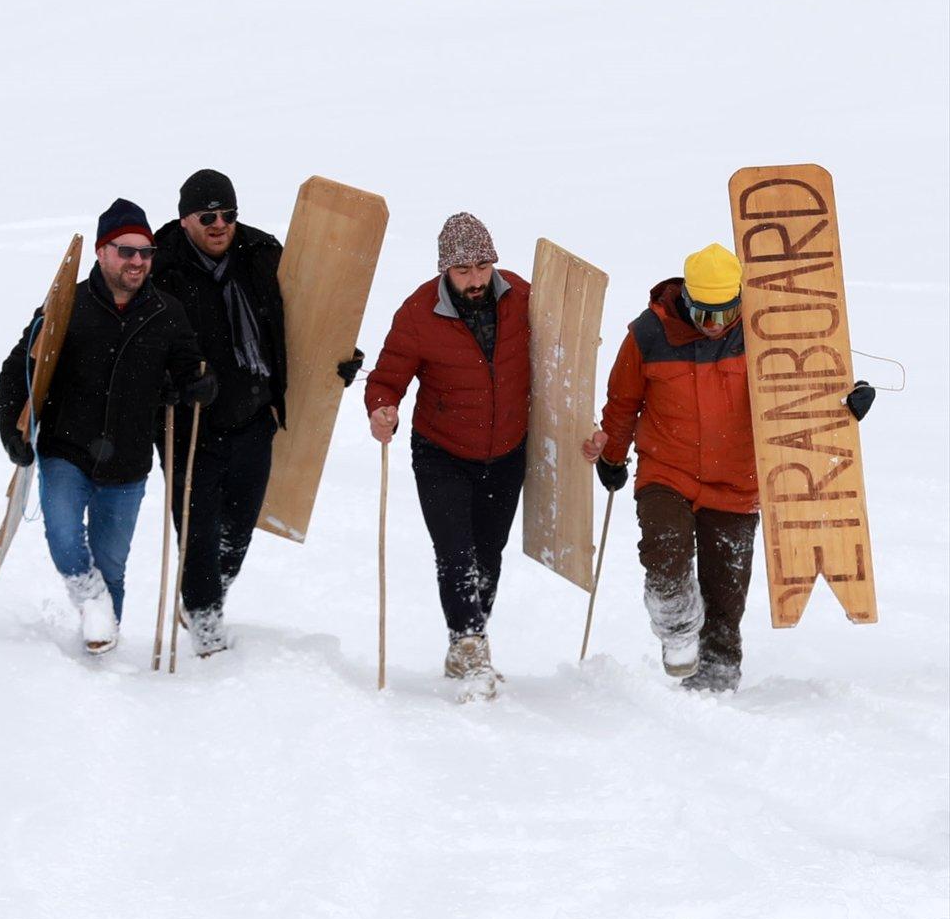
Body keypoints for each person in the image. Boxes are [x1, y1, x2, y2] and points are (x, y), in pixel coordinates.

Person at [581, 243, 875, 692]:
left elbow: (805, 386)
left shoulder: (767, 331)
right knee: (665, 553)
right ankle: (677, 629)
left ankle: (717, 672)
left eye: (726, 314)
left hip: (738, 481)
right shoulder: (648, 334)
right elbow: (623, 402)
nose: (715, 327)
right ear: (687, 300)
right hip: (667, 471)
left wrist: (847, 403)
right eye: (704, 316)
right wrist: (613, 457)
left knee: (726, 587)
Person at [151, 169, 363, 656]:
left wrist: (340, 358)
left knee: (238, 527)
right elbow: (143, 349)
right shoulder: (161, 269)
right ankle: (203, 616)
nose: (220, 224)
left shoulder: (261, 254)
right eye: (208, 216)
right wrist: (176, 385)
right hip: (191, 427)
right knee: (198, 530)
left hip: (252, 420)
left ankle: (211, 593)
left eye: (228, 214)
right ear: (185, 220)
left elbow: (305, 318)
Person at [0, 198, 216, 655]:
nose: (138, 261)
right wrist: (11, 429)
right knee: (61, 533)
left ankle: (103, 643)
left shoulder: (166, 311)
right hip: (67, 448)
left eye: (146, 252)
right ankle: (91, 602)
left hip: (129, 460)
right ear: (101, 252)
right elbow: (20, 366)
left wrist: (197, 384)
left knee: (112, 564)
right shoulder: (66, 304)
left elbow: (188, 366)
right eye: (126, 251)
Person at [365, 213, 530, 700]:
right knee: (456, 553)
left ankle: (467, 641)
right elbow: (385, 378)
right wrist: (382, 409)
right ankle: (471, 646)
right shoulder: (419, 312)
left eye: (482, 266)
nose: (475, 279)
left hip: (506, 450)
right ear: (444, 271)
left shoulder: (521, 297)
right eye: (463, 270)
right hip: (442, 452)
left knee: (489, 555)